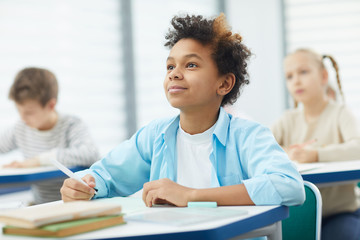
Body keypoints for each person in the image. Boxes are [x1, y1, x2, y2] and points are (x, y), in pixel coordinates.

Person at [61, 14, 305, 209]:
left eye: (191, 64)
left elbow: (288, 186)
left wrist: (191, 195)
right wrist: (85, 185)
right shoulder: (155, 135)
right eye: (170, 65)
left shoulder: (248, 136)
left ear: (224, 84)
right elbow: (106, 176)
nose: (174, 73)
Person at [271, 48, 360, 240]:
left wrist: (316, 155)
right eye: (289, 76)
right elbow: (261, 150)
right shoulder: (287, 119)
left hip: (341, 213)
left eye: (303, 72)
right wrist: (286, 152)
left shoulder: (340, 113)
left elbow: (358, 148)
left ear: (324, 76)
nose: (296, 80)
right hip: (298, 215)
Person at [0, 67, 100, 204]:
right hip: (42, 205)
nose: (22, 117)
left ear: (51, 105)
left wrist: (40, 160)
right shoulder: (20, 129)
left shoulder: (71, 125)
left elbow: (90, 153)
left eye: (29, 112)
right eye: (18, 110)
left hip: (78, 204)